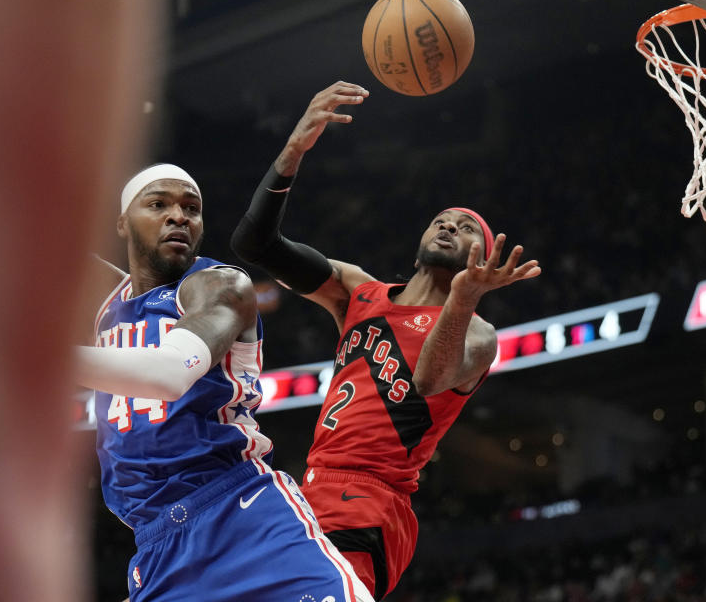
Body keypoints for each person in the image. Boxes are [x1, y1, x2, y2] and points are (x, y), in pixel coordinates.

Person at [0, 25, 372, 602]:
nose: (179, 216)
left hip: (243, 518)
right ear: (124, 223)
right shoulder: (106, 300)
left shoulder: (220, 285)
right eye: (160, 204)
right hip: (157, 547)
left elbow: (171, 374)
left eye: (191, 208)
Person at [230, 81, 542, 600]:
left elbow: (429, 379)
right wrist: (294, 148)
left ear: (480, 258)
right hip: (307, 487)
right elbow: (254, 244)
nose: (448, 226)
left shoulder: (479, 333)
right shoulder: (357, 290)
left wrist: (462, 299)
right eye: (442, 220)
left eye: (466, 228)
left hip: (373, 500)